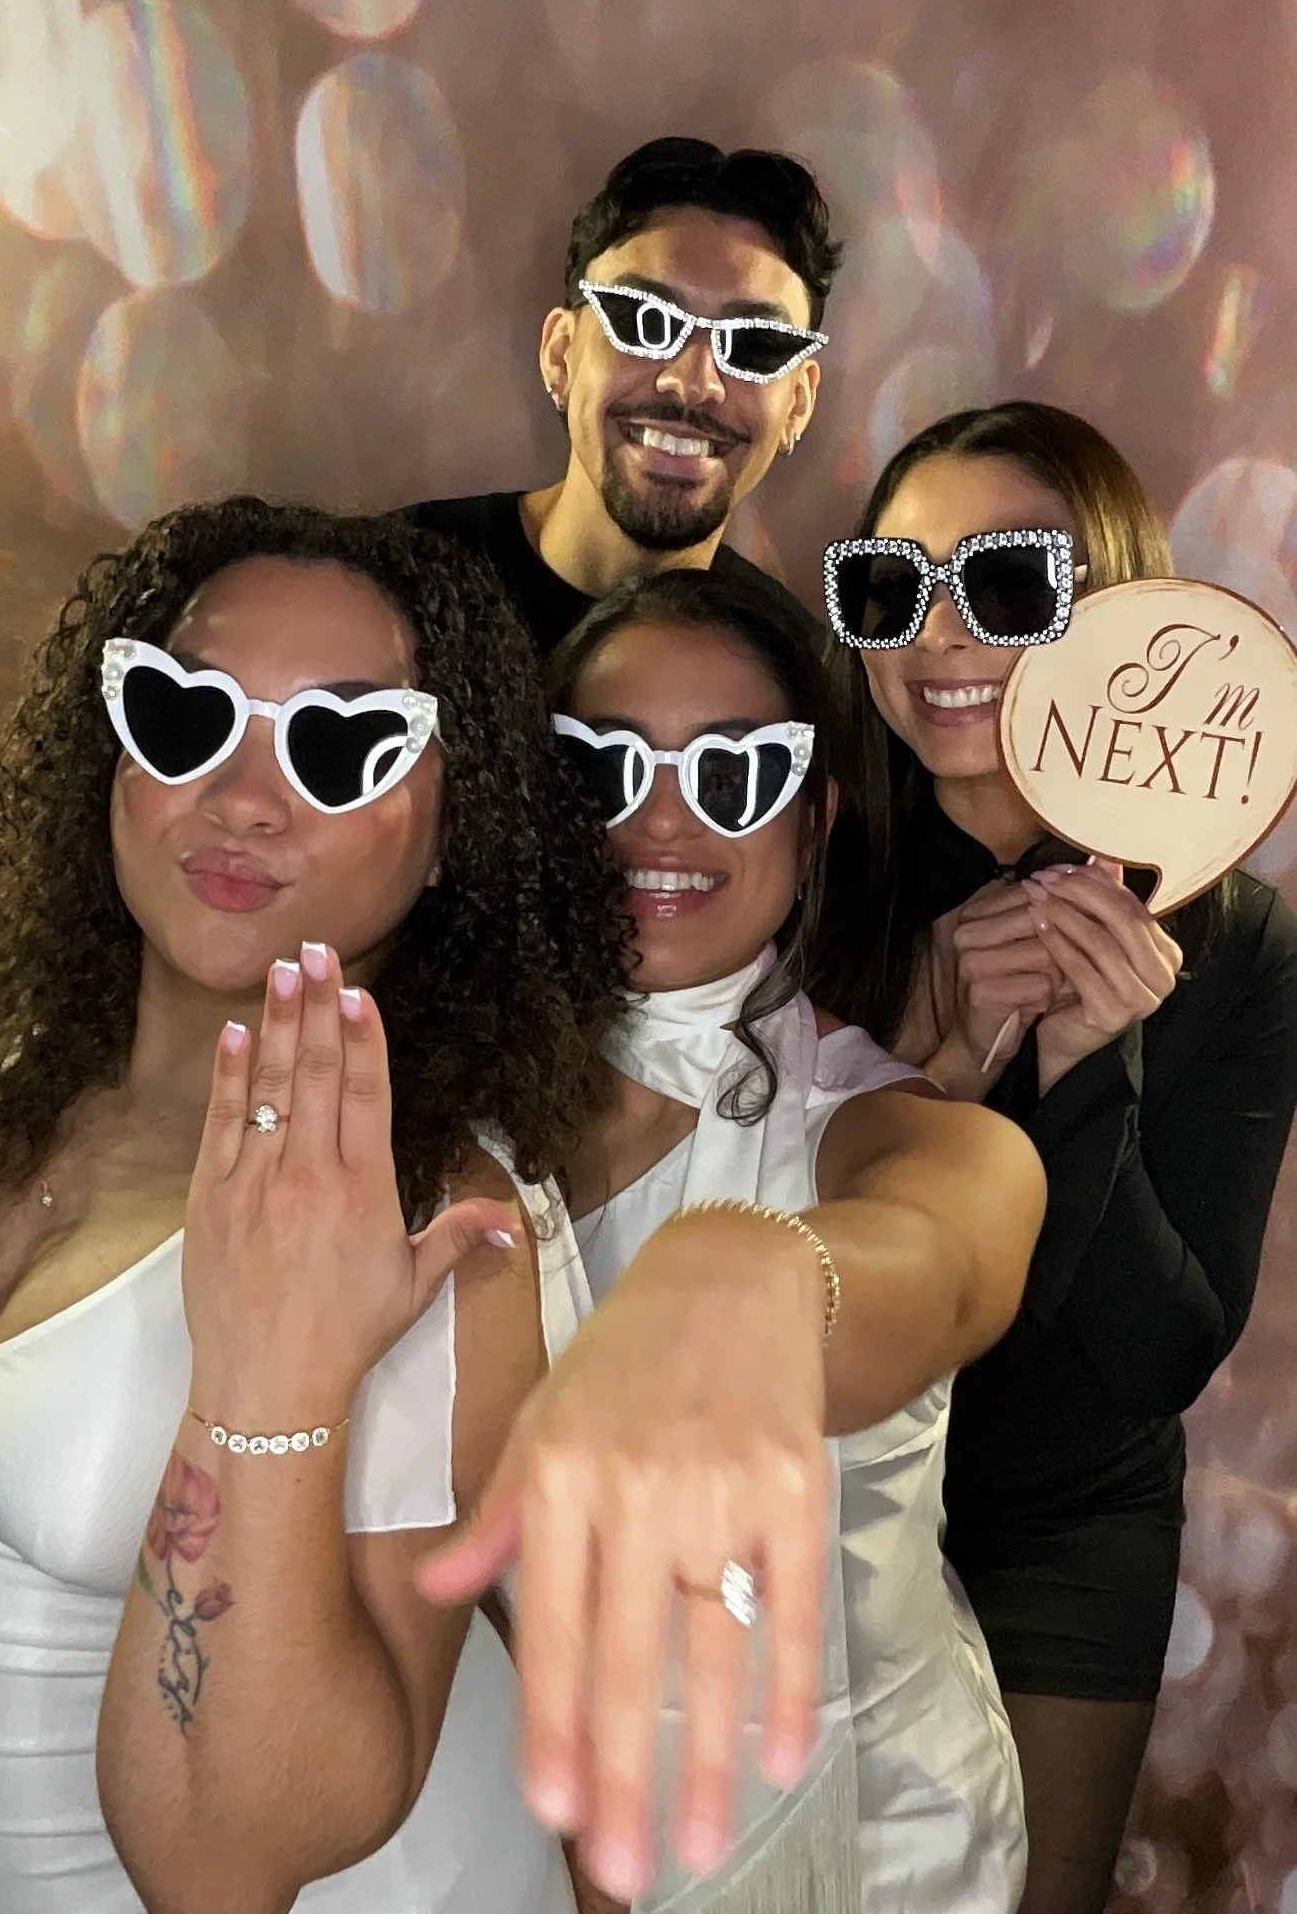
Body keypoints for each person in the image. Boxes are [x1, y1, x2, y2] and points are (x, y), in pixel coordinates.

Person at [0, 498, 629, 1913]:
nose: (246, 798)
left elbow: (225, 1859)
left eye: (339, 748)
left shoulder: (430, 1221)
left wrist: (267, 1376)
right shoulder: (9, 1083)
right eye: (184, 714)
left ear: (456, 829)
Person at [417, 568, 1049, 1912]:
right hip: (519, 1845)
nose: (659, 817)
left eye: (737, 771)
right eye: (602, 768)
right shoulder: (445, 1104)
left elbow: (953, 1236)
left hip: (869, 1860)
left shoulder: (866, 1122)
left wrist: (767, 1271)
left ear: (814, 821)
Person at [811, 401, 1297, 1914]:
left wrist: (1090, 1076)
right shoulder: (801, 871)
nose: (940, 635)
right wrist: (923, 1052)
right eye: (892, 586)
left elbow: (1161, 1351)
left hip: (1069, 1522)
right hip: (811, 1495)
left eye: (1008, 583)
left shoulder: (1245, 944)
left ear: (1119, 616)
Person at [393, 135, 840, 651]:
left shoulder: (800, 687)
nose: (693, 383)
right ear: (561, 355)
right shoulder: (393, 593)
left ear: (799, 405)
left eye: (755, 345)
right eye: (644, 321)